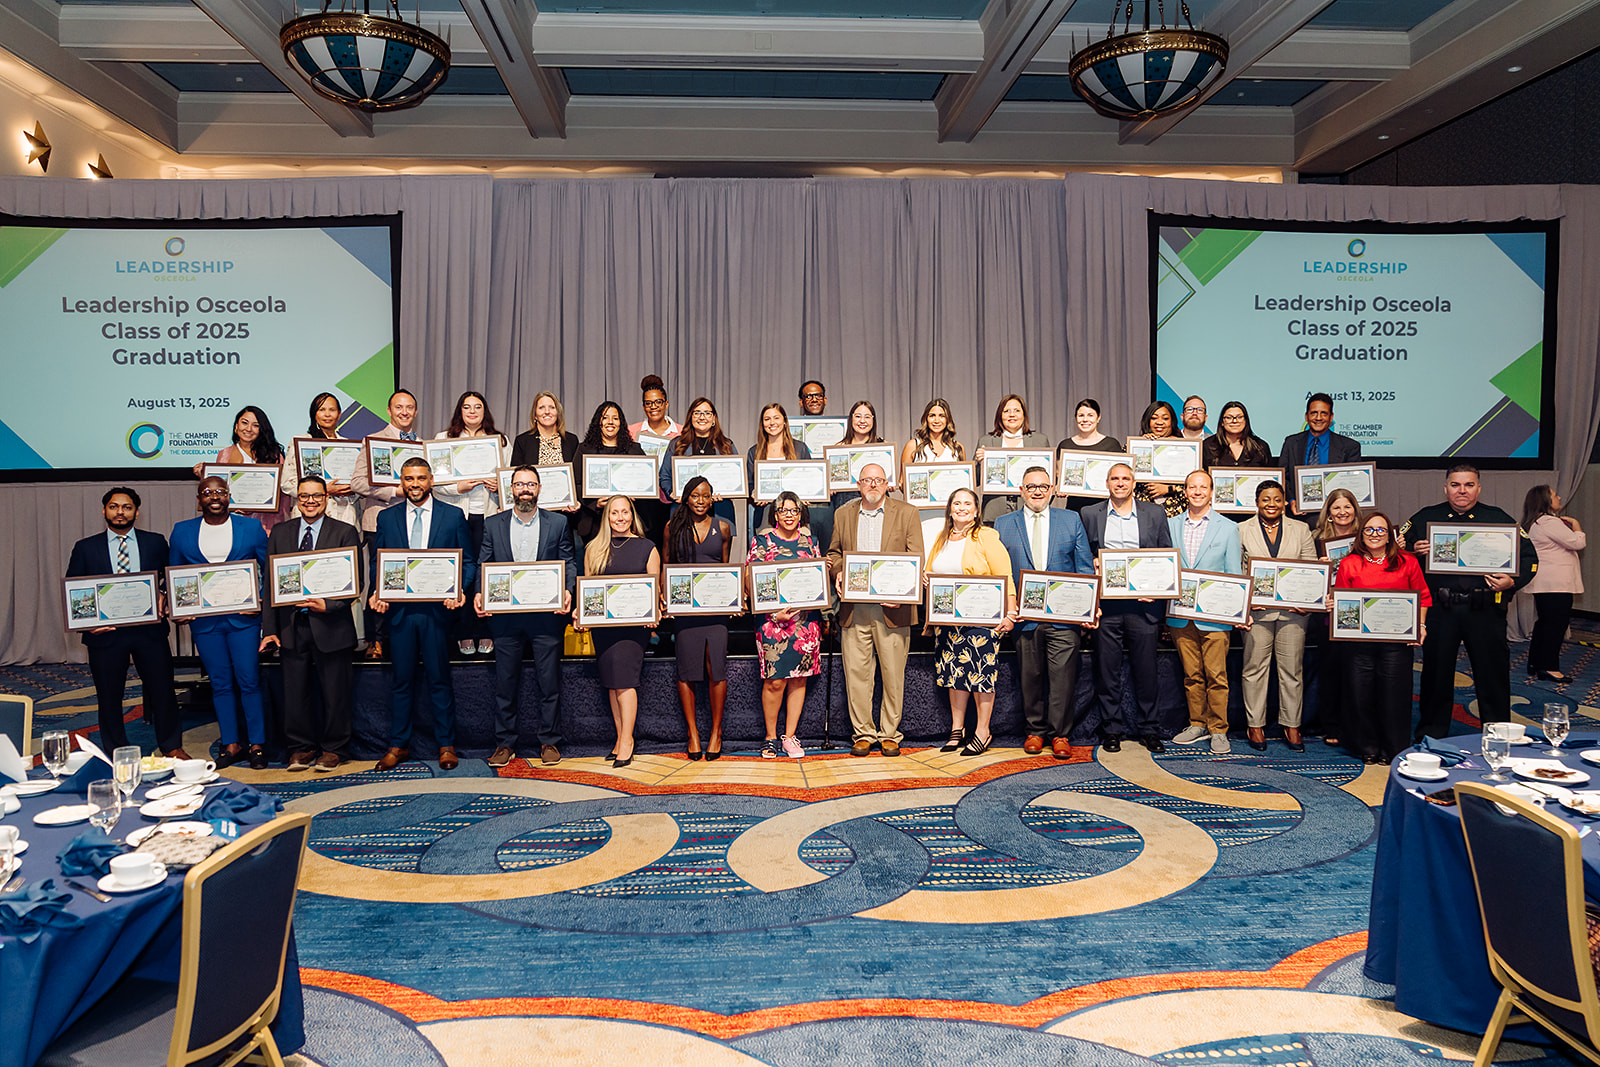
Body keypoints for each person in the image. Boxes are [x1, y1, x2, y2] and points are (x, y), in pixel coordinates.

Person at [1402, 464, 1537, 741]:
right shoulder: (1425, 518)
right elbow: (1397, 554)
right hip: (1441, 610)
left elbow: (1529, 558)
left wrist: (1511, 582)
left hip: (1484, 609)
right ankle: (1432, 733)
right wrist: (1412, 550)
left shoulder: (1498, 519)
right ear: (1446, 487)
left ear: (1478, 487)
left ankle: (1498, 734)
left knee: (1492, 674)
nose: (1461, 490)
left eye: (1468, 485)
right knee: (1436, 675)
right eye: (1455, 485)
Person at [367, 457, 476, 771]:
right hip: (400, 612)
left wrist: (459, 590)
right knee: (401, 681)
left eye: (420, 478)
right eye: (408, 478)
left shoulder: (453, 515)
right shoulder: (387, 518)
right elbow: (380, 562)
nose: (414, 484)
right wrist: (378, 590)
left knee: (440, 681)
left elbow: (467, 562)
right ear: (401, 482)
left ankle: (446, 744)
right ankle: (398, 745)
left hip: (436, 613)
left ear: (430, 480)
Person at [65, 487, 187, 759]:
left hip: (150, 632)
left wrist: (164, 596)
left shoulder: (155, 542)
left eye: (127, 507)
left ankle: (172, 746)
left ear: (136, 512)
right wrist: (87, 624)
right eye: (114, 506)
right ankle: (116, 751)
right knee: (109, 695)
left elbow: (169, 578)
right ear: (104, 510)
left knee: (163, 690)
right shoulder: (85, 547)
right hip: (105, 635)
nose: (120, 512)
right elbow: (75, 591)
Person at [474, 465, 577, 767]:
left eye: (531, 484)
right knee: (506, 682)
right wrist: (481, 591)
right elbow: (484, 563)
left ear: (539, 489)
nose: (525, 490)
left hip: (546, 615)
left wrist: (568, 589)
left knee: (549, 682)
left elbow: (568, 560)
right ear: (511, 489)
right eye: (519, 485)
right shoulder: (493, 524)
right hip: (506, 617)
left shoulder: (557, 523)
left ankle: (549, 741)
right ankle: (505, 743)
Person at [259, 475, 359, 771]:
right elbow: (270, 586)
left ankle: (334, 749)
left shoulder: (344, 532)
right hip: (292, 626)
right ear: (297, 499)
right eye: (304, 496)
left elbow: (356, 583)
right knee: (295, 693)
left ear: (326, 498)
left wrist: (328, 605)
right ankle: (300, 748)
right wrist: (270, 630)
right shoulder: (280, 532)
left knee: (335, 692)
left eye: (317, 496)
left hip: (331, 625)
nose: (311, 501)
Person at [169, 475, 270, 768]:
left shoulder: (250, 527)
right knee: (220, 684)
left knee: (249, 681)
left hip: (243, 619)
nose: (214, 496)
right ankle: (231, 743)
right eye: (207, 492)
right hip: (205, 623)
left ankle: (257, 744)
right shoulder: (182, 531)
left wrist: (260, 602)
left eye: (220, 491)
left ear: (229, 496)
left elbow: (268, 568)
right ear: (199, 499)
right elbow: (175, 574)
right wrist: (179, 607)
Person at [995, 466, 1094, 758]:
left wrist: (1088, 609)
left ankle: (1060, 734)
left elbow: (1084, 567)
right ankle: (1035, 731)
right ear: (1021, 491)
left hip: (1064, 618)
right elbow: (1000, 573)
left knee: (1063, 678)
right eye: (1031, 486)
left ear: (1051, 489)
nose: (1037, 491)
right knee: (1030, 676)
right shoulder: (1003, 523)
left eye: (1043, 486)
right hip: (1024, 618)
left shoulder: (1071, 519)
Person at [827, 462, 924, 756]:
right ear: (858, 485)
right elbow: (834, 554)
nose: (872, 485)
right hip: (855, 609)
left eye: (878, 480)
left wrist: (903, 595)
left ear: (887, 484)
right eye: (866, 480)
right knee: (857, 674)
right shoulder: (843, 514)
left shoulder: (907, 513)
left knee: (893, 674)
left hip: (893, 608)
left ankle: (890, 733)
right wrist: (839, 572)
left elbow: (915, 557)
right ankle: (864, 733)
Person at [1079, 463, 1173, 753]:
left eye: (1126, 479)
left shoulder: (1155, 513)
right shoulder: (1089, 514)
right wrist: (1092, 566)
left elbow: (1164, 554)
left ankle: (1149, 729)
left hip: (1143, 607)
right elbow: (1083, 558)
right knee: (1107, 672)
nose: (1120, 483)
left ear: (1134, 483)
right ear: (1106, 483)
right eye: (1115, 479)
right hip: (1107, 606)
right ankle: (1112, 730)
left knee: (1146, 671)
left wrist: (1156, 591)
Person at [922, 488, 1016, 755]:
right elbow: (933, 573)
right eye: (957, 503)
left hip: (982, 621)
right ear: (949, 509)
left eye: (967, 504)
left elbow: (1004, 575)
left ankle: (982, 731)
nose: (962, 508)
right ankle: (957, 728)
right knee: (954, 675)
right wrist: (925, 578)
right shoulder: (941, 538)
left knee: (981, 674)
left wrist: (1011, 613)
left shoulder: (986, 536)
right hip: (948, 622)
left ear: (976, 511)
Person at [1335, 511, 1431, 764]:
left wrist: (1420, 625)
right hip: (1359, 643)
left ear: (1390, 535)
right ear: (1361, 534)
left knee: (1394, 695)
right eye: (1369, 530)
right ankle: (1367, 746)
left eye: (1381, 530)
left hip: (1396, 643)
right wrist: (1332, 603)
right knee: (1360, 694)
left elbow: (1422, 595)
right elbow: (1342, 600)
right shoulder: (1349, 563)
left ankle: (1393, 747)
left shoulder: (1407, 561)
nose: (1375, 535)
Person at [1166, 470, 1248, 755]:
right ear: (1185, 491)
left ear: (1212, 491)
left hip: (1215, 616)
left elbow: (1234, 572)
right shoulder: (1170, 525)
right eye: (1192, 486)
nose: (1197, 491)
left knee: (1217, 676)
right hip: (1180, 614)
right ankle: (1197, 724)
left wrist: (1237, 611)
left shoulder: (1227, 528)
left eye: (1203, 487)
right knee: (1191, 675)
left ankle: (1218, 729)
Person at [578, 495, 660, 767]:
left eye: (625, 512)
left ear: (632, 514)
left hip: (633, 629)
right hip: (604, 628)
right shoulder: (593, 548)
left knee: (625, 682)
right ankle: (619, 737)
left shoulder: (648, 548)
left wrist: (655, 612)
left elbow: (655, 590)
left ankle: (627, 740)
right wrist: (582, 611)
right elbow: (588, 591)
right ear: (607, 517)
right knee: (612, 683)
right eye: (615, 513)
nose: (620, 517)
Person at [1237, 480, 1315, 752]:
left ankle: (1291, 725)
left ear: (1285, 502)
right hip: (1257, 613)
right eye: (1265, 499)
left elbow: (1311, 568)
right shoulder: (1241, 530)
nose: (1271, 504)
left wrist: (1308, 600)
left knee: (1292, 671)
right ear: (1256, 502)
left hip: (1293, 614)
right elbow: (1237, 571)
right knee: (1254, 670)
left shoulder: (1301, 529)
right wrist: (1246, 603)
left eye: (1277, 499)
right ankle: (1255, 724)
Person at [350, 388, 423, 660]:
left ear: (415, 412)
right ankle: (375, 640)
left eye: (409, 408)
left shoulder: (423, 444)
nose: (404, 412)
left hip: (415, 522)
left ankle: (409, 638)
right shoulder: (373, 441)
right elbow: (357, 483)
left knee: (410, 577)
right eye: (399, 407)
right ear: (389, 411)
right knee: (380, 580)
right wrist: (395, 491)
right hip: (380, 520)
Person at [750, 491, 824, 760]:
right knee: (775, 681)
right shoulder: (762, 542)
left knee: (798, 680)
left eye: (794, 510)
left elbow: (816, 581)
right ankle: (770, 737)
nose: (789, 515)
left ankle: (790, 736)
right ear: (775, 515)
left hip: (805, 624)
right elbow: (753, 582)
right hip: (772, 622)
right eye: (783, 510)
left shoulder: (811, 542)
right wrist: (773, 613)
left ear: (801, 514)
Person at [664, 477, 733, 760]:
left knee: (716, 667)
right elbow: (667, 565)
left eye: (706, 495)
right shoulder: (673, 527)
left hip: (715, 610)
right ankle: (692, 733)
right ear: (685, 498)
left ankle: (716, 732)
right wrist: (664, 598)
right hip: (685, 610)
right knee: (687, 670)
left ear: (712, 498)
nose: (701, 501)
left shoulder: (724, 528)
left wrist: (730, 594)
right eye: (695, 495)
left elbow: (726, 567)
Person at [433, 390, 507, 656]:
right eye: (467, 407)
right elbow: (435, 483)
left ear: (485, 411)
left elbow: (510, 481)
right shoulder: (444, 439)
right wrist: (457, 487)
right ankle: (463, 632)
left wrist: (499, 485)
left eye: (477, 407)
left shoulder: (499, 441)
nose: (472, 412)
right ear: (459, 411)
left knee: (485, 572)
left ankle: (486, 630)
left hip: (487, 516)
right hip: (456, 517)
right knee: (460, 575)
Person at [1307, 487, 1362, 746]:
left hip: (1362, 613)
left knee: (1357, 670)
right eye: (1337, 507)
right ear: (1328, 512)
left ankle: (1354, 723)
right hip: (1328, 612)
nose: (1343, 512)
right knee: (1331, 669)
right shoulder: (1316, 540)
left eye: (1347, 507)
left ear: (1355, 510)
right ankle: (1331, 725)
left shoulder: (1369, 537)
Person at [1522, 484, 1585, 682]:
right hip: (1556, 583)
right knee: (1556, 625)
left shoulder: (1537, 522)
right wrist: (1576, 525)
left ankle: (1536, 663)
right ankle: (1549, 667)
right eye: (1554, 495)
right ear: (1545, 500)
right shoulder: (1549, 522)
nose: (1559, 497)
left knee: (1545, 623)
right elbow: (1577, 543)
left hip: (1546, 583)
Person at [197, 405, 294, 532]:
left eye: (255, 425)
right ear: (236, 426)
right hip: (232, 520)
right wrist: (204, 476)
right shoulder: (224, 454)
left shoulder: (274, 456)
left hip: (265, 522)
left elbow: (281, 493)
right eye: (244, 423)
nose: (249, 429)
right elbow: (219, 487)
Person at [660, 396, 738, 531]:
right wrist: (672, 493)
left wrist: (727, 493)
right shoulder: (677, 444)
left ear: (714, 418)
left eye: (707, 413)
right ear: (691, 417)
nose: (702, 417)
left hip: (719, 511)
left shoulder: (726, 445)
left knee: (716, 552)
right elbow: (664, 476)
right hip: (683, 511)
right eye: (697, 413)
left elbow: (736, 478)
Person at [573, 401, 647, 543]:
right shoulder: (584, 449)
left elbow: (647, 483)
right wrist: (595, 503)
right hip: (594, 521)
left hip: (628, 522)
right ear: (598, 422)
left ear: (621, 423)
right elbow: (575, 484)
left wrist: (636, 494)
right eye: (605, 417)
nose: (610, 422)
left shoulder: (634, 450)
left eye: (615, 418)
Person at [1279, 393, 1362, 513]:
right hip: (1297, 513)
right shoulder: (1291, 443)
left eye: (1324, 413)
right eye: (1314, 413)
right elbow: (1284, 477)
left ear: (1331, 417)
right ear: (1306, 417)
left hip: (1335, 516)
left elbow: (1352, 483)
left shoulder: (1349, 447)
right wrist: (1292, 500)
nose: (1318, 418)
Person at [975, 394, 1050, 524]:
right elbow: (975, 480)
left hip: (1029, 509)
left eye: (1016, 410)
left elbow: (1048, 479)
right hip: (994, 510)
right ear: (1000, 415)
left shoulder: (1039, 440)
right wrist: (980, 463)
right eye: (1006, 411)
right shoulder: (986, 441)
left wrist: (1039, 503)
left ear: (1024, 415)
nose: (1012, 414)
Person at [629, 374, 679, 546]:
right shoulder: (631, 432)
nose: (653, 407)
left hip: (672, 499)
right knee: (644, 548)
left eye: (658, 402)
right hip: (642, 503)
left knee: (671, 548)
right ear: (643, 407)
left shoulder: (681, 432)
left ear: (666, 403)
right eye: (649, 403)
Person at [747, 402, 812, 534]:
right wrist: (755, 493)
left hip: (795, 515)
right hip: (765, 515)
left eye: (776, 418)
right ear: (762, 424)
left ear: (785, 421)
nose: (772, 423)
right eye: (767, 419)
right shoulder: (754, 452)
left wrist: (807, 494)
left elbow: (809, 479)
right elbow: (749, 484)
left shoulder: (800, 448)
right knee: (768, 553)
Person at [303, 391, 360, 527]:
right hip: (311, 517)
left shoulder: (350, 446)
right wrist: (324, 490)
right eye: (322, 409)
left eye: (332, 410)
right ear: (314, 414)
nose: (327, 414)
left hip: (346, 515)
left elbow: (359, 482)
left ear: (339, 414)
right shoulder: (303, 443)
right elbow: (288, 484)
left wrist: (353, 488)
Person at [1057, 399, 1123, 512]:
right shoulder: (1065, 445)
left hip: (1104, 508)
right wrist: (1060, 488)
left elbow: (1120, 475)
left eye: (1090, 415)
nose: (1085, 419)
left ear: (1098, 417)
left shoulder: (1112, 444)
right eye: (1081, 415)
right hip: (1075, 508)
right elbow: (1058, 475)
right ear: (1076, 418)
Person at [1135, 400, 1185, 517]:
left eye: (1165, 418)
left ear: (1172, 422)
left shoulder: (1185, 448)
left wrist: (1168, 488)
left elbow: (1196, 484)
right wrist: (1142, 444)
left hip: (1176, 511)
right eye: (1154, 418)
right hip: (1143, 510)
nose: (1159, 422)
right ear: (1148, 421)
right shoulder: (1135, 446)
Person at [832, 400, 884, 511]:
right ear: (851, 419)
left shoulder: (882, 446)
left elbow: (888, 476)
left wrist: (889, 482)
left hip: (875, 499)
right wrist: (830, 485)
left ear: (873, 420)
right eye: (858, 416)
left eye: (867, 417)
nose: (862, 421)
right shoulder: (839, 447)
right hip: (845, 500)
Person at [509, 390, 581, 468]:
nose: (547, 412)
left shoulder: (572, 440)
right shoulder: (522, 441)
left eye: (552, 407)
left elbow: (577, 475)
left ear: (558, 413)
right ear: (535, 415)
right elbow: (516, 475)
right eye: (541, 408)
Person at [1201, 401, 1273, 470]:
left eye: (1239, 417)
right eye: (1229, 417)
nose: (1234, 421)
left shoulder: (1261, 447)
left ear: (1245, 420)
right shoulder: (1208, 446)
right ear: (1222, 422)